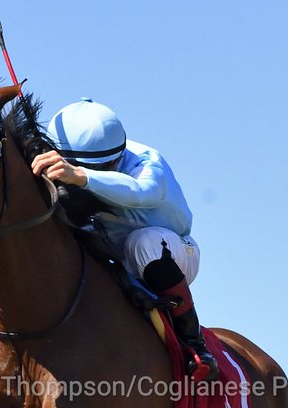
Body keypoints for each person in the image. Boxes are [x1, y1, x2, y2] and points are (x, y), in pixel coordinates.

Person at [32, 98, 217, 381]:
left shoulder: (147, 161)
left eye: (108, 166)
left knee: (143, 243)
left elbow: (142, 192)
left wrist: (80, 175)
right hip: (108, 255)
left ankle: (193, 343)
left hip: (171, 254)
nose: (107, 169)